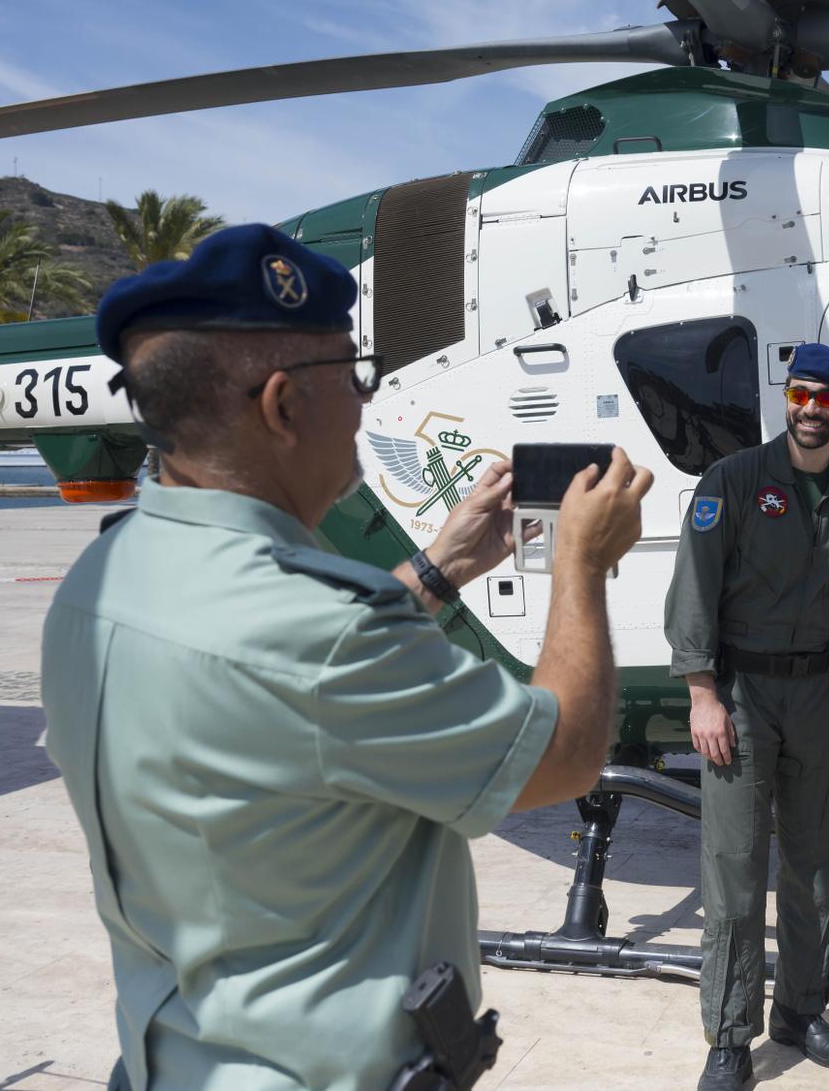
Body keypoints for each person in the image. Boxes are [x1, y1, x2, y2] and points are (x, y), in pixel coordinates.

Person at [41, 224, 651, 1091]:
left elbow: (279, 686)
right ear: (284, 405)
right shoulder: (317, 632)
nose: (367, 404)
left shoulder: (100, 580)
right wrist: (581, 567)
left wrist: (439, 568)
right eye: (355, 376)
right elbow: (564, 755)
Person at [665, 343, 829, 1091]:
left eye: (827, 399)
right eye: (801, 394)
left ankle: (799, 1008)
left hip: (820, 698)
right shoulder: (733, 480)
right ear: (787, 398)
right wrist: (702, 693)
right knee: (734, 867)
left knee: (819, 860)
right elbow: (693, 587)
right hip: (742, 695)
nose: (811, 410)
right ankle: (729, 1033)